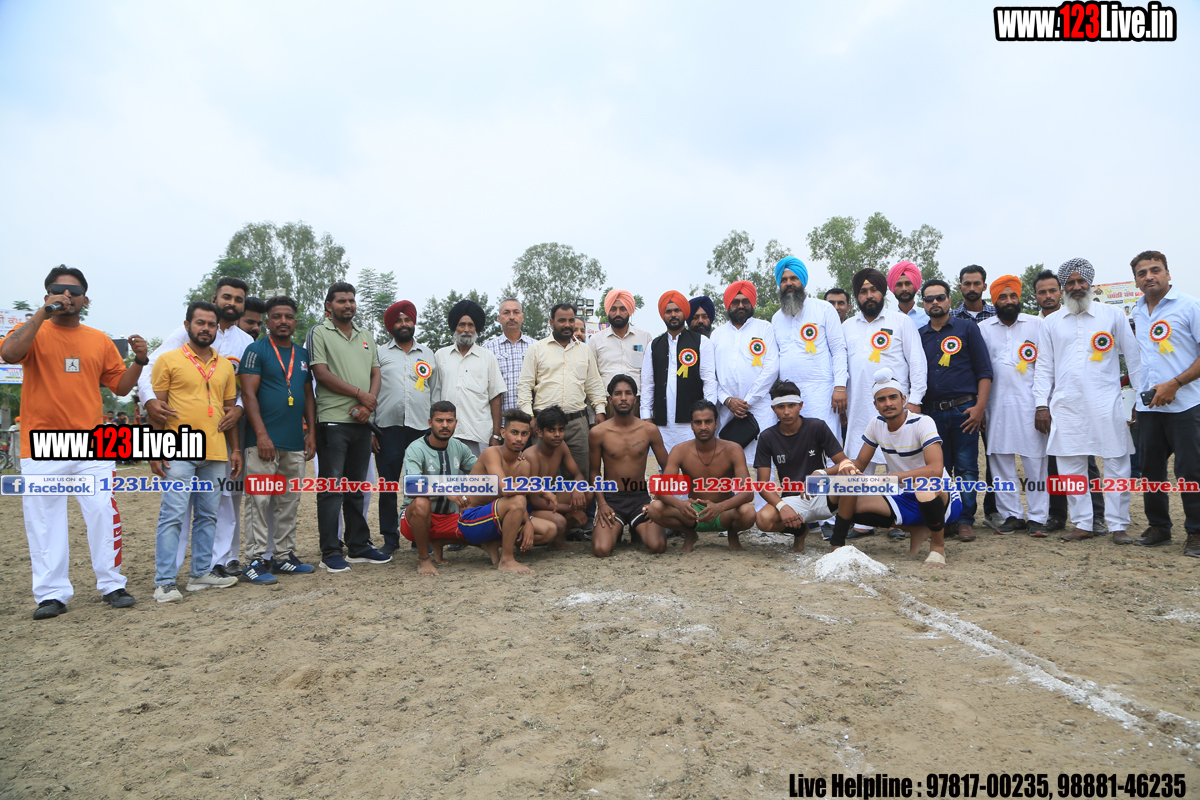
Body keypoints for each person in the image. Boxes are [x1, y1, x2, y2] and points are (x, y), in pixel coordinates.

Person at [1, 266, 146, 618]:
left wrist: (140, 361)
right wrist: (43, 312)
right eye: (59, 289)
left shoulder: (99, 340)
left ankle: (112, 584)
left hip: (92, 445)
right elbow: (9, 354)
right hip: (41, 444)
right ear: (47, 294)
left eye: (75, 291)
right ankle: (52, 594)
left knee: (102, 512)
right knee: (44, 521)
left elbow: (120, 387)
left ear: (86, 299)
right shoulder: (31, 331)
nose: (67, 296)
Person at [139, 276, 255, 578]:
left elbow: (245, 387)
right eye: (227, 297)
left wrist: (239, 409)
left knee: (223, 502)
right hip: (179, 439)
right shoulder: (184, 335)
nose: (232, 303)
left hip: (220, 437)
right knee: (177, 510)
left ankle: (218, 563)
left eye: (238, 299)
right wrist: (150, 401)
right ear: (215, 300)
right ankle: (169, 574)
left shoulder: (246, 342)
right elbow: (150, 368)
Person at [1033, 258, 1141, 543]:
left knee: (1116, 463)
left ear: (1090, 284)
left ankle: (1118, 525)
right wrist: (1041, 404)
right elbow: (1043, 366)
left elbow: (1133, 358)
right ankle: (1083, 523)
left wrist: (1140, 399)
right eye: (1070, 283)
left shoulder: (1112, 315)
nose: (1076, 286)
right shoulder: (1051, 322)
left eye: (1081, 281)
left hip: (1107, 403)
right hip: (1067, 405)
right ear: (1063, 288)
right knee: (1070, 465)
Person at [148, 301, 242, 601]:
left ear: (217, 329)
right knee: (173, 515)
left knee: (208, 516)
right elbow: (156, 411)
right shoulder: (168, 360)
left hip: (215, 451)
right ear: (187, 325)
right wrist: (155, 449)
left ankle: (200, 573)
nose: (206, 328)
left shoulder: (225, 365)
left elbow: (229, 411)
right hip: (178, 449)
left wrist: (235, 449)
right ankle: (164, 582)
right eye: (200, 323)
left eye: (211, 324)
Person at [829, 369, 963, 567]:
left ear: (903, 399)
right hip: (902, 494)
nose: (888, 403)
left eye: (893, 397)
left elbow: (935, 470)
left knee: (923, 487)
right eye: (881, 399)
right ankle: (915, 529)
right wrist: (832, 470)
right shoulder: (876, 424)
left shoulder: (923, 422)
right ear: (875, 405)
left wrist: (893, 478)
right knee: (846, 501)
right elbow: (860, 464)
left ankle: (937, 547)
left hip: (940, 496)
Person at [309, 281, 390, 572]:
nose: (348, 305)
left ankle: (358, 546)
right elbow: (321, 373)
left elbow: (376, 373)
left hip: (362, 422)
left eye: (351, 300)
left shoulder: (365, 335)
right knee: (331, 489)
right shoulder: (319, 332)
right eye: (341, 300)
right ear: (329, 306)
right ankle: (330, 551)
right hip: (333, 421)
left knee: (357, 488)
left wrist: (368, 406)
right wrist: (359, 395)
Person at [400, 402, 535, 575]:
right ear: (430, 423)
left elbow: (484, 473)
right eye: (439, 420)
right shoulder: (416, 448)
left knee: (477, 522)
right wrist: (445, 491)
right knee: (421, 503)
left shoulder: (459, 447)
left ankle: (445, 541)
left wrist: (513, 456)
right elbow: (411, 486)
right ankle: (423, 559)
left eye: (449, 421)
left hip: (449, 518)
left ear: (456, 423)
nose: (445, 425)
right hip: (415, 519)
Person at [238, 295, 317, 583]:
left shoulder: (302, 354)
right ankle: (255, 560)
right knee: (258, 501)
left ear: (295, 321)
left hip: (294, 441)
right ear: (268, 321)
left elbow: (308, 395)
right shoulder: (255, 350)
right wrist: (261, 435)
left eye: (288, 317)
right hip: (262, 443)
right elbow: (248, 394)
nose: (283, 321)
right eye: (276, 316)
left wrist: (311, 432)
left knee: (289, 502)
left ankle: (284, 556)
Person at [1129, 250, 1200, 557]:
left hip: (1186, 405)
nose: (1149, 277)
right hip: (1149, 408)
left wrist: (1176, 383)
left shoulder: (1190, 306)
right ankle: (1159, 527)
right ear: (1136, 281)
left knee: (1190, 471)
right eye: (1142, 273)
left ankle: (1196, 532)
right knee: (1150, 471)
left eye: (1155, 270)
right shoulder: (1137, 311)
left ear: (1168, 274)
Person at [919, 278, 992, 541]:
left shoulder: (967, 328)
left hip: (964, 411)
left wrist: (979, 408)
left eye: (940, 297)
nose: (935, 302)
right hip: (931, 414)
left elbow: (984, 371)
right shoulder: (919, 335)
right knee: (938, 470)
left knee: (966, 468)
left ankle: (964, 520)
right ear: (923, 304)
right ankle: (945, 519)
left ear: (949, 300)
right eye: (929, 299)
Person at [977, 276, 1050, 537]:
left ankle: (1038, 517)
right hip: (995, 407)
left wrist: (1043, 405)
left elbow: (1046, 367)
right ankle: (1012, 515)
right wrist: (981, 408)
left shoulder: (1037, 324)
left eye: (1013, 296)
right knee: (1000, 461)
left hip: (1031, 406)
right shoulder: (983, 328)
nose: (1008, 301)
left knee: (1035, 463)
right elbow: (979, 370)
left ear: (1019, 298)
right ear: (994, 300)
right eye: (1002, 297)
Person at [1033, 268, 1102, 530]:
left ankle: (1096, 516)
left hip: (1075, 403)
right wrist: (1040, 404)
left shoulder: (1079, 319)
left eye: (1053, 290)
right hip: (1042, 403)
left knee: (1085, 459)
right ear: (1036, 296)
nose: (1048, 296)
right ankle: (1057, 515)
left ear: (1061, 292)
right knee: (1053, 461)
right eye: (1042, 292)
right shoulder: (1032, 324)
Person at [754, 381, 852, 552]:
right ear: (773, 409)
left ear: (800, 405)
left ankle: (838, 540)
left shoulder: (817, 426)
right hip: (793, 499)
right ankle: (800, 531)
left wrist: (821, 473)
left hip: (824, 494)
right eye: (781, 407)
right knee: (763, 520)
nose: (786, 411)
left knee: (851, 481)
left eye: (791, 405)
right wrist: (782, 507)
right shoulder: (767, 437)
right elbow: (762, 485)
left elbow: (846, 464)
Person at [648, 400, 756, 552]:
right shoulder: (680, 450)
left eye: (708, 421)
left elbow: (748, 493)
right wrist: (680, 504)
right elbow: (661, 491)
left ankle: (732, 535)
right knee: (655, 508)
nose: (703, 427)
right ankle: (689, 534)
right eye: (698, 422)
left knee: (748, 512)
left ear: (716, 423)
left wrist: (719, 507)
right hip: (693, 512)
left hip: (724, 511)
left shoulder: (733, 449)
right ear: (691, 425)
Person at [374, 300, 437, 556]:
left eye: (407, 319)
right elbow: (370, 389)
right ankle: (390, 538)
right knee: (388, 485)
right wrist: (371, 429)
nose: (403, 324)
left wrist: (434, 427)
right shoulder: (379, 353)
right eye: (398, 320)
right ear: (391, 326)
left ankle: (417, 535)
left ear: (413, 322)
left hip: (421, 428)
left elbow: (435, 390)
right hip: (387, 428)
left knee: (420, 484)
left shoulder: (428, 353)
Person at [712, 280, 778, 510]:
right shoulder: (717, 334)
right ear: (727, 305)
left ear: (752, 303)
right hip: (726, 409)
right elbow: (710, 375)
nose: (740, 305)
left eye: (745, 301)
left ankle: (764, 512)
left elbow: (772, 367)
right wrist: (728, 400)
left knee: (764, 461)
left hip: (759, 407)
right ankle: (732, 512)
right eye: (735, 301)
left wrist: (748, 400)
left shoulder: (764, 328)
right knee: (727, 460)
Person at [518, 303, 607, 473]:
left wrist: (600, 411)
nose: (567, 324)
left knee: (579, 475)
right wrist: (529, 415)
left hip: (577, 424)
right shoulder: (536, 349)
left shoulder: (585, 350)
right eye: (562, 320)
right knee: (545, 477)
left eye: (571, 320)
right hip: (545, 425)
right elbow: (524, 386)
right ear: (552, 322)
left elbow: (594, 384)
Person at [589, 374, 671, 556]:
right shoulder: (598, 432)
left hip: (640, 499)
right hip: (612, 500)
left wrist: (656, 499)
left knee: (657, 546)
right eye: (618, 393)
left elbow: (668, 467)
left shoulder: (649, 430)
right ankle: (617, 530)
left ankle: (636, 528)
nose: (623, 398)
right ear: (610, 399)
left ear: (636, 398)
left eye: (628, 393)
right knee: (601, 549)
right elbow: (594, 472)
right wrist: (602, 504)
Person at [772, 257, 847, 439]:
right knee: (794, 444)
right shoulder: (776, 318)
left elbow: (838, 349)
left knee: (825, 441)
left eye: (794, 278)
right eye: (784, 280)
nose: (789, 283)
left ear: (803, 281)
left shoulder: (824, 309)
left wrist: (840, 387)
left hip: (822, 392)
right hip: (788, 396)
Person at [469, 408, 557, 560]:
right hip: (474, 519)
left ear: (529, 435)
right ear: (503, 433)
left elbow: (521, 497)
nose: (519, 439)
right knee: (516, 499)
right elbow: (505, 489)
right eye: (514, 433)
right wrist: (541, 490)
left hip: (501, 517)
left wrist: (527, 523)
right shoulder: (491, 453)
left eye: (524, 434)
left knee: (549, 530)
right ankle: (507, 559)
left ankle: (495, 543)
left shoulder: (524, 464)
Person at [642, 291, 717, 452]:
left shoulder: (701, 342)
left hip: (693, 422)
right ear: (663, 315)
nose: (673, 315)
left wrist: (707, 414)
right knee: (665, 465)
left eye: (677, 310)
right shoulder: (653, 346)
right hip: (662, 423)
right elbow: (648, 384)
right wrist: (646, 416)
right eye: (668, 311)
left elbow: (709, 381)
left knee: (694, 462)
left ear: (685, 313)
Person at [435, 299, 505, 455]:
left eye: (471, 325)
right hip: (446, 433)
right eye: (462, 325)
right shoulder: (440, 356)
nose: (466, 329)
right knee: (447, 471)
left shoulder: (488, 357)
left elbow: (495, 397)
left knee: (478, 472)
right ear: (455, 327)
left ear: (476, 328)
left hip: (478, 433)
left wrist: (496, 435)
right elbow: (434, 394)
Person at [530, 405, 589, 538]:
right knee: (559, 521)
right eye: (551, 430)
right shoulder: (532, 456)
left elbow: (578, 474)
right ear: (540, 432)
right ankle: (547, 537)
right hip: (529, 509)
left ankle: (559, 541)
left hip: (549, 499)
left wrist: (577, 488)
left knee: (587, 493)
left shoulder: (561, 446)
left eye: (561, 430)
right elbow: (534, 501)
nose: (557, 434)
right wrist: (572, 509)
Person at [588, 289, 652, 400]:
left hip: (637, 401)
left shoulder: (644, 337)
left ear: (629, 311)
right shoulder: (596, 340)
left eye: (622, 309)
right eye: (613, 309)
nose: (618, 313)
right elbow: (592, 377)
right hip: (607, 401)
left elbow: (649, 375)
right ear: (608, 311)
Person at [482, 298, 536, 418]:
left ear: (522, 317)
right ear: (499, 318)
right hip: (501, 421)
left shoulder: (536, 346)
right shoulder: (487, 349)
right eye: (506, 313)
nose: (511, 317)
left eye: (516, 312)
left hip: (531, 419)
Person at [888, 261, 929, 328]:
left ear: (915, 285)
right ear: (893, 287)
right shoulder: (889, 319)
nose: (904, 289)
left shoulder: (927, 317)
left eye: (908, 284)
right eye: (899, 285)